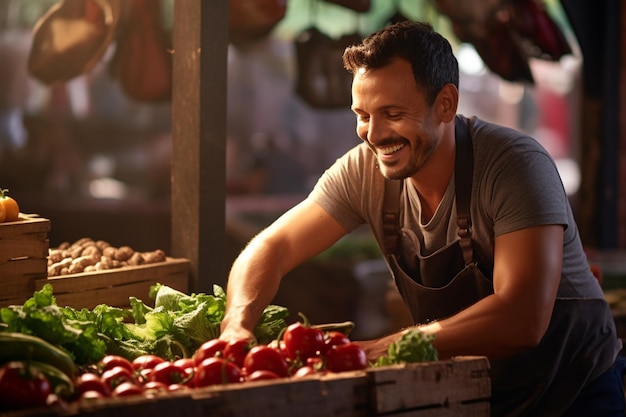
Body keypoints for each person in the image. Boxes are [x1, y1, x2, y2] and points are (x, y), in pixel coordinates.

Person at [219, 21, 624, 416]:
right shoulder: (365, 170)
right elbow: (272, 246)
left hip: (577, 392)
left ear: (445, 103)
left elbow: (523, 317)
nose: (373, 135)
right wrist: (237, 326)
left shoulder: (514, 165)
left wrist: (384, 348)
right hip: (476, 394)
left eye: (392, 113)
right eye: (362, 114)